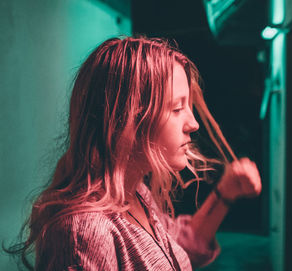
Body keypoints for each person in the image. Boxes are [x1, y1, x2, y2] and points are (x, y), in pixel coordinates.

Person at [7, 36, 261, 270]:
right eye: (176, 109)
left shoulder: (136, 193)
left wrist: (226, 191)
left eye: (189, 107)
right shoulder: (84, 234)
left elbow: (181, 249)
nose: (193, 124)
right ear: (127, 121)